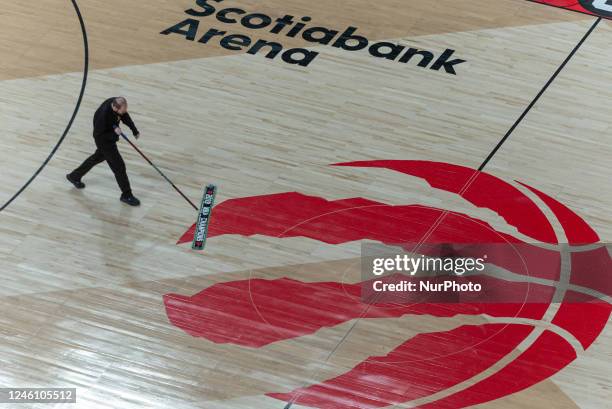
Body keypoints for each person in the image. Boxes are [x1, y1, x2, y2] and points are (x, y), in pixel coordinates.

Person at [67, 97, 141, 206]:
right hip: (104, 141)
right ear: (115, 108)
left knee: (98, 157)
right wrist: (114, 134)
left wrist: (134, 130)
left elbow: (124, 116)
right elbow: (98, 136)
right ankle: (127, 195)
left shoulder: (116, 103)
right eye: (123, 110)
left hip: (109, 137)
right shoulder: (103, 116)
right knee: (119, 167)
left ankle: (74, 176)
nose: (124, 112)